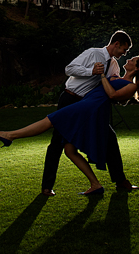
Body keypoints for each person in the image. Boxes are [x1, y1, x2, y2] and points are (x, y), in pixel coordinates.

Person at [0, 55, 139, 195]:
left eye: (132, 59)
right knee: (69, 150)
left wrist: (102, 76)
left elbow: (112, 95)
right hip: (87, 104)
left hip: (89, 109)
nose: (128, 59)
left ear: (137, 68)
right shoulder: (118, 77)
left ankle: (9, 135)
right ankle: (95, 185)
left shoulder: (131, 86)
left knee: (50, 120)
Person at [41, 30, 133, 196]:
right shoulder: (93, 53)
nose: (124, 53)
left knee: (110, 137)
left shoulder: (113, 66)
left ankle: (120, 181)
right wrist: (91, 71)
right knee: (57, 142)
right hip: (70, 99)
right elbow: (69, 69)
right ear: (116, 44)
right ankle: (47, 186)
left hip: (88, 106)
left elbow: (113, 86)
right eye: (124, 50)